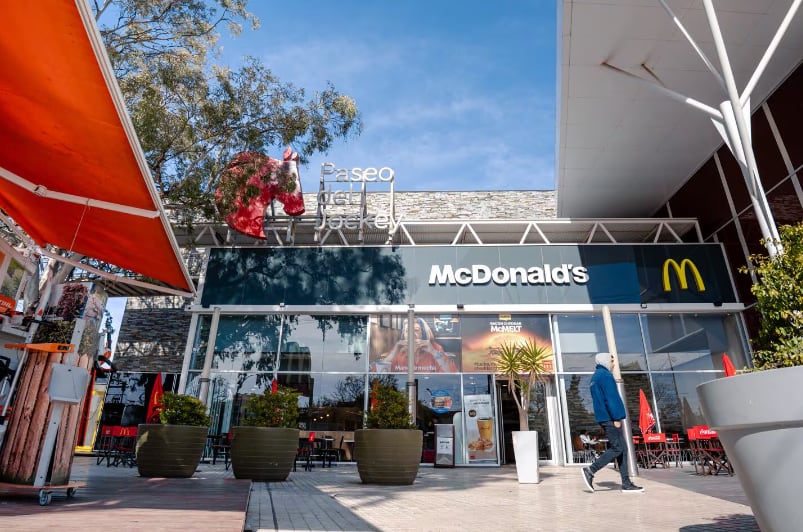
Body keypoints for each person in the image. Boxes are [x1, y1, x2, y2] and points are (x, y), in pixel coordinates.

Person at [581, 352, 644, 493]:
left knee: (623, 449)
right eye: (611, 361)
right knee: (617, 448)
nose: (613, 364)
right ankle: (591, 470)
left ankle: (626, 483)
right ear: (605, 361)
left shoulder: (595, 377)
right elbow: (611, 398)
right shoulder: (605, 376)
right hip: (611, 418)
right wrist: (617, 417)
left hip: (604, 417)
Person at [369, 318, 458, 373]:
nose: (412, 333)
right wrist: (393, 353)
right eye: (408, 330)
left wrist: (433, 352)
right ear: (404, 335)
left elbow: (451, 372)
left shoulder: (435, 347)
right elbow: (378, 373)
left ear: (423, 333)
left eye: (416, 330)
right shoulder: (398, 351)